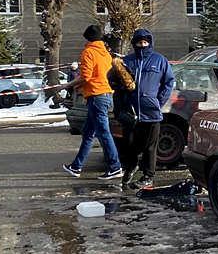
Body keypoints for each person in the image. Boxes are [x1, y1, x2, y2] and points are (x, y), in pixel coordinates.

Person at [60, 25, 123, 180]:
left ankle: (115, 167)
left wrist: (70, 84)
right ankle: (76, 166)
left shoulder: (88, 52)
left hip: (96, 97)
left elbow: (86, 76)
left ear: (87, 38)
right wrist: (82, 86)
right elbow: (99, 75)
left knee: (103, 133)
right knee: (88, 133)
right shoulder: (106, 53)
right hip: (106, 94)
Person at [118, 29, 174, 190]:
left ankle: (148, 175)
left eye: (145, 42)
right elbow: (113, 80)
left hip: (151, 112)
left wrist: (158, 102)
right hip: (131, 112)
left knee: (150, 146)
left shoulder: (160, 60)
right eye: (139, 42)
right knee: (128, 144)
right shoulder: (127, 61)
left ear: (149, 42)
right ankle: (131, 167)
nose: (142, 45)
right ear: (134, 43)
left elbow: (168, 83)